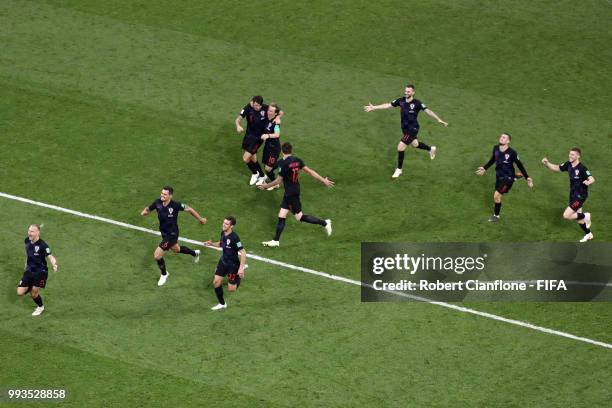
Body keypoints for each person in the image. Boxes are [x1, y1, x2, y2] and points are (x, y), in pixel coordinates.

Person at [363, 84, 448, 178]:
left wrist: (438, 119)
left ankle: (399, 169)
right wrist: (374, 107)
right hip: (405, 129)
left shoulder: (417, 103)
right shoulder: (401, 100)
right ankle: (431, 149)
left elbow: (428, 111)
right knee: (415, 144)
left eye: (408, 91)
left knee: (400, 148)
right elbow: (388, 105)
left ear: (413, 92)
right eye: (405, 91)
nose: (406, 93)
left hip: (413, 129)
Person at [258, 142, 334, 247]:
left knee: (299, 217)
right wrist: (323, 180)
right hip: (293, 190)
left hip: (291, 193)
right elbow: (310, 172)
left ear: (282, 151)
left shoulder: (284, 164)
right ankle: (276, 240)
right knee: (282, 214)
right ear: (291, 150)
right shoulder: (297, 160)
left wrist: (265, 186)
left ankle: (325, 223)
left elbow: (278, 181)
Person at [141, 186, 207, 286]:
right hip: (164, 233)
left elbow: (189, 209)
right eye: (162, 193)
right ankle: (195, 253)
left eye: (165, 194)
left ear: (170, 196)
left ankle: (164, 274)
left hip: (172, 234)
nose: (162, 195)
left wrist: (200, 219)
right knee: (176, 249)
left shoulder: (175, 205)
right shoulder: (157, 202)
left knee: (157, 255)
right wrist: (145, 212)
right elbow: (149, 208)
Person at [476, 133, 533, 221]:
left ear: (508, 141)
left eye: (504, 137)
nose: (501, 138)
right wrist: (484, 168)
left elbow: (519, 165)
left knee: (496, 196)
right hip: (499, 176)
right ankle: (516, 177)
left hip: (508, 177)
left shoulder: (512, 153)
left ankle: (496, 216)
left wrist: (527, 177)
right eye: (501, 137)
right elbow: (493, 159)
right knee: (498, 195)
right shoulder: (495, 148)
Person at [542, 148, 595, 242]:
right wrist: (547, 163)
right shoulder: (568, 164)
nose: (570, 156)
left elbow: (591, 178)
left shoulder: (582, 168)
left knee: (566, 215)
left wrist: (588, 182)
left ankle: (586, 216)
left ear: (578, 156)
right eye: (570, 154)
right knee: (578, 219)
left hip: (580, 196)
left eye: (573, 154)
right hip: (573, 194)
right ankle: (589, 234)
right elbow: (556, 168)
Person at [235, 96, 282, 185]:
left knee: (245, 158)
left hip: (258, 138)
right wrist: (238, 125)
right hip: (248, 136)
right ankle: (260, 175)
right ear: (252, 102)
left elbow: (279, 112)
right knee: (253, 157)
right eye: (254, 105)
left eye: (258, 106)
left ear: (261, 105)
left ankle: (256, 173)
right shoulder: (248, 107)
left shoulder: (265, 107)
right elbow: (238, 119)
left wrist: (277, 118)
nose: (256, 107)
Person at [204, 216, 247, 310]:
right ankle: (222, 303)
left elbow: (243, 252)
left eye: (226, 224)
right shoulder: (223, 233)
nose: (224, 225)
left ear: (232, 226)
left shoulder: (235, 238)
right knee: (216, 282)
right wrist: (211, 244)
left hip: (233, 265)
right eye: (224, 223)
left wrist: (240, 268)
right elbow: (221, 244)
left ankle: (238, 275)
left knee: (231, 289)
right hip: (223, 261)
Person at [17, 224, 58, 316]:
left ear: (37, 232)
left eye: (32, 231)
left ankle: (40, 307)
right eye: (29, 231)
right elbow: (28, 254)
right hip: (29, 270)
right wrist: (26, 264)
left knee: (34, 293)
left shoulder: (43, 245)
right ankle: (31, 285)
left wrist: (54, 264)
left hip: (41, 272)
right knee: (20, 293)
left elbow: (50, 256)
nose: (29, 233)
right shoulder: (26, 240)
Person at [258, 103, 282, 190]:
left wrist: (267, 136)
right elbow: (281, 113)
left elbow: (277, 134)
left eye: (271, 111)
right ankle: (281, 164)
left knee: (268, 169)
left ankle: (275, 184)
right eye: (268, 110)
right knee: (265, 166)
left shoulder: (276, 122)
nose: (268, 112)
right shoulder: (268, 117)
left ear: (275, 113)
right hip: (267, 146)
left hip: (274, 148)